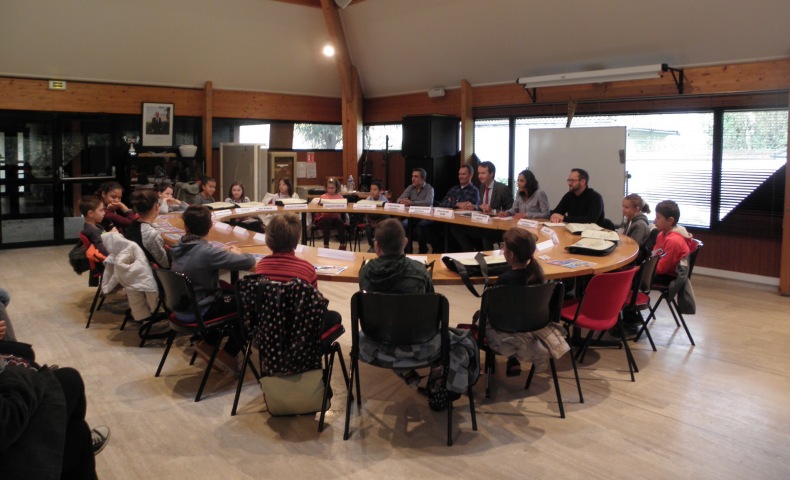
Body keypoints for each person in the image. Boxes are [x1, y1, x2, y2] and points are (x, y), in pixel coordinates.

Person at [358, 219, 478, 408]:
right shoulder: (419, 271)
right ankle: (446, 390)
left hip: (378, 342)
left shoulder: (365, 272)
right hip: (421, 344)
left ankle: (407, 373)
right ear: (405, 243)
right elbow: (430, 311)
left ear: (376, 246)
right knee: (460, 340)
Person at [170, 206, 257, 373]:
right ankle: (229, 354)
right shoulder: (206, 253)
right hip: (200, 310)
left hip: (181, 306)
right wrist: (237, 254)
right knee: (251, 302)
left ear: (186, 227)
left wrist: (219, 252)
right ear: (210, 226)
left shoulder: (178, 246)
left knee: (232, 295)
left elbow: (202, 255)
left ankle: (208, 344)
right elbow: (248, 261)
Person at [255, 213, 342, 331]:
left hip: (270, 328)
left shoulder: (261, 266)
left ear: (268, 238)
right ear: (296, 241)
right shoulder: (307, 269)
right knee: (335, 316)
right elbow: (314, 305)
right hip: (299, 331)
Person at [454, 161, 514, 251]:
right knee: (456, 228)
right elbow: (483, 206)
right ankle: (471, 254)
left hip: (498, 228)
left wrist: (493, 211)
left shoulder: (502, 189)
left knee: (486, 237)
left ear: (491, 174)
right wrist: (475, 207)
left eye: (483, 173)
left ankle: (487, 262)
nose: (480, 176)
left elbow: (511, 211)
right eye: (479, 173)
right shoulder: (482, 186)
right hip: (484, 224)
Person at [420, 164, 480, 254]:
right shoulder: (453, 189)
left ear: (471, 175)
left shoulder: (474, 191)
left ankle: (447, 252)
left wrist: (452, 203)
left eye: (463, 174)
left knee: (452, 230)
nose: (460, 176)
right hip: (444, 219)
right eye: (459, 174)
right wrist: (457, 203)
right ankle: (439, 250)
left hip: (460, 222)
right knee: (424, 225)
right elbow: (443, 204)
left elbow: (467, 208)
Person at [653, 200, 696, 284]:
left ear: (670, 220)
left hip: (670, 276)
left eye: (658, 217)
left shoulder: (674, 240)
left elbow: (662, 268)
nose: (654, 221)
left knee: (633, 278)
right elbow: (654, 255)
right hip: (659, 270)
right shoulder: (661, 234)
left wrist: (644, 269)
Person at [126, 189, 170, 268]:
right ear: (157, 206)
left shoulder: (133, 224)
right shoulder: (150, 233)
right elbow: (165, 264)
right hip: (151, 274)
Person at [397, 168, 435, 253]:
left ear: (423, 179)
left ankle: (422, 249)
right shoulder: (411, 187)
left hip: (426, 217)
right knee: (403, 224)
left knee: (421, 226)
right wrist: (403, 201)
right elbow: (398, 199)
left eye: (416, 176)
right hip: (413, 216)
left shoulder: (429, 189)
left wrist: (412, 203)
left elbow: (428, 202)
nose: (413, 179)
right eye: (412, 176)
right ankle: (408, 250)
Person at [313, 177, 348, 250]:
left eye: (332, 188)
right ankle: (326, 245)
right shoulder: (323, 196)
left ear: (336, 188)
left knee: (341, 223)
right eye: (329, 188)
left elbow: (344, 207)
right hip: (324, 218)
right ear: (326, 188)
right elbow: (318, 208)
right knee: (326, 222)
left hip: (335, 218)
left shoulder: (340, 197)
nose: (330, 190)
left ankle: (342, 244)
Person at [363, 180, 389, 253]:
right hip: (370, 220)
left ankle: (380, 246)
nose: (372, 191)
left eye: (375, 189)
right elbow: (365, 213)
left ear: (380, 191)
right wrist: (370, 222)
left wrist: (378, 222)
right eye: (371, 189)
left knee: (380, 228)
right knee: (368, 228)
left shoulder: (384, 200)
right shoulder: (368, 199)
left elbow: (386, 215)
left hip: (381, 220)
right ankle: (372, 246)